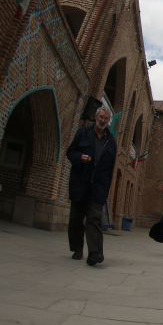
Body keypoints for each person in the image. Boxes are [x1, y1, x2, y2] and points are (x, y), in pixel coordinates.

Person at [66, 106, 117, 266]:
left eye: (106, 118)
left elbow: (110, 170)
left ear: (108, 121)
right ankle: (77, 248)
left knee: (94, 219)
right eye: (101, 117)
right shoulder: (83, 133)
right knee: (76, 219)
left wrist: (105, 190)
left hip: (98, 188)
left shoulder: (111, 142)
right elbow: (70, 152)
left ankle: (95, 253)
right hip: (80, 184)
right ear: (96, 117)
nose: (102, 120)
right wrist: (80, 157)